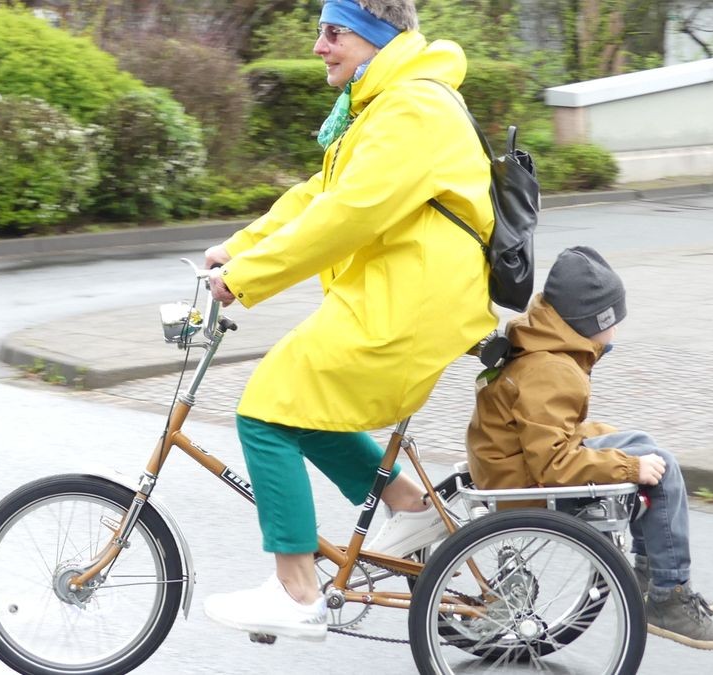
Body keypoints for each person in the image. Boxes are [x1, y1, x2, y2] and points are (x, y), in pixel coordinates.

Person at [201, 0, 497, 641]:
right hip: (398, 295)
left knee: (265, 409)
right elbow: (322, 194)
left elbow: (350, 215)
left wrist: (247, 280)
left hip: (410, 307)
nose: (318, 46)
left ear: (376, 39)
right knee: (300, 406)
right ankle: (407, 506)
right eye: (319, 32)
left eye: (333, 33)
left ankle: (295, 589)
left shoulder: (413, 106)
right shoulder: (384, 103)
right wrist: (241, 246)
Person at [466, 246, 713, 650]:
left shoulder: (544, 343)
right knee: (658, 468)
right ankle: (668, 596)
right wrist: (628, 468)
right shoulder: (553, 369)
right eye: (613, 323)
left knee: (645, 446)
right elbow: (553, 464)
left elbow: (546, 434)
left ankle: (651, 582)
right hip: (522, 482)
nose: (616, 334)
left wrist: (627, 453)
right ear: (589, 323)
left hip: (511, 461)